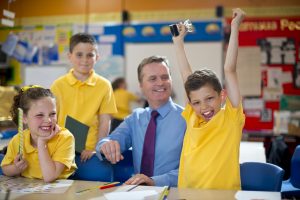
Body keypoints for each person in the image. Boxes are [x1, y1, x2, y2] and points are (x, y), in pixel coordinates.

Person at [172, 8, 246, 189]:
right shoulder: (192, 116)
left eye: (209, 99)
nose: (203, 106)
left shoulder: (230, 118)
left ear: (222, 96)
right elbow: (185, 74)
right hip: (188, 194)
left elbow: (230, 69)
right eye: (196, 102)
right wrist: (178, 42)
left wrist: (235, 27)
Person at [96, 56, 186, 187]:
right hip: (139, 193)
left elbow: (193, 169)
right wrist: (105, 145)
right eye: (152, 78)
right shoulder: (135, 118)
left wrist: (155, 181)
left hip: (174, 193)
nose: (160, 83)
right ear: (141, 85)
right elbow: (109, 141)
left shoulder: (187, 119)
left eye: (165, 77)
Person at [51, 33, 117, 162]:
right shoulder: (58, 85)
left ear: (97, 57)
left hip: (89, 152)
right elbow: (52, 119)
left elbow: (105, 121)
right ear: (69, 56)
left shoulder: (104, 85)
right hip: (60, 149)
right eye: (79, 54)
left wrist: (98, 148)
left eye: (90, 55)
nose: (85, 60)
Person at [1, 86, 77, 182]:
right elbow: (5, 169)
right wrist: (16, 168)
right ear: (24, 118)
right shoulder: (18, 139)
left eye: (52, 114)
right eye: (40, 115)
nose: (48, 120)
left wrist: (42, 143)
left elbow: (50, 177)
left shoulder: (65, 138)